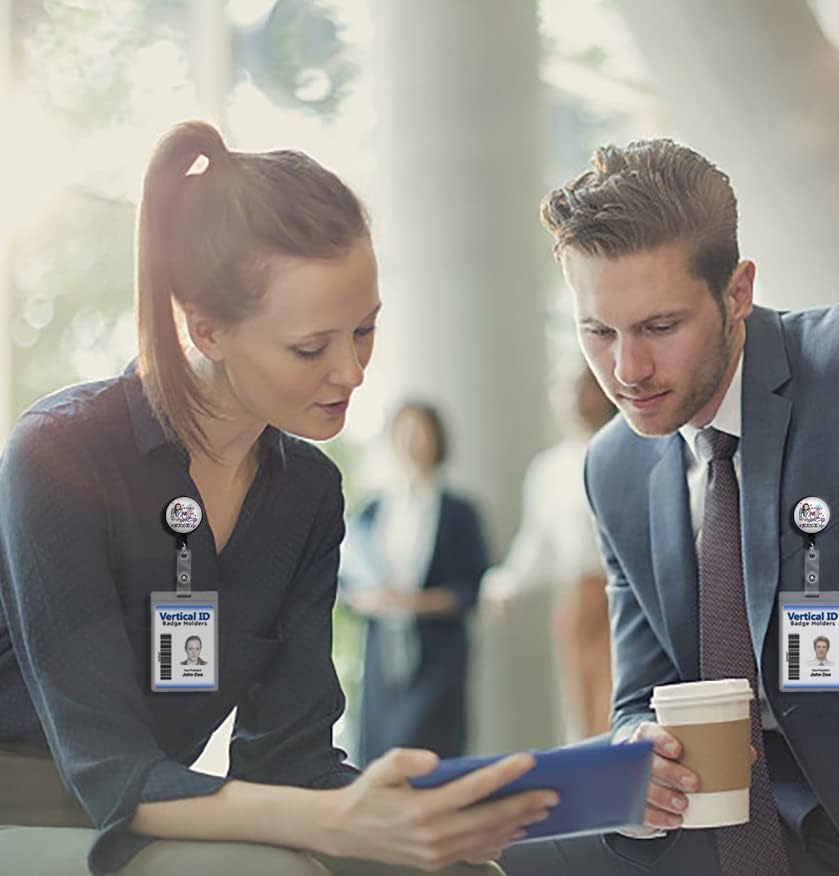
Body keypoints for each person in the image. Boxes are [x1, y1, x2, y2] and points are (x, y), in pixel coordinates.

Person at [0, 121, 557, 876]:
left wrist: (421, 816)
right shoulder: (59, 452)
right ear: (207, 329)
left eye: (364, 331)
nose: (353, 372)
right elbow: (112, 771)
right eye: (311, 347)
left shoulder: (306, 490)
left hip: (162, 808)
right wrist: (337, 822)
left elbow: (292, 758)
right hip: (31, 803)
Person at [502, 139, 839, 876]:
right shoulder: (613, 466)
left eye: (659, 328)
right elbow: (639, 695)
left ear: (737, 291)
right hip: (724, 823)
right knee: (485, 850)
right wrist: (638, 744)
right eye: (597, 332)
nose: (626, 371)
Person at [341, 402, 488, 765]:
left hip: (437, 650)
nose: (412, 441)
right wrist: (374, 601)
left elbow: (473, 586)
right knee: (380, 749)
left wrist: (415, 603)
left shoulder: (458, 511)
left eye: (420, 431)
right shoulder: (371, 510)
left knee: (429, 745)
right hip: (382, 649)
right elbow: (344, 584)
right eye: (403, 432)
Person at [480, 364, 614, 740]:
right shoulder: (549, 469)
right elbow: (537, 544)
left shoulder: (631, 448)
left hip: (628, 594)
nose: (575, 398)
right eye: (566, 388)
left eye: (585, 387)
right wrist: (504, 586)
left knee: (623, 700)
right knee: (583, 707)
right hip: (580, 598)